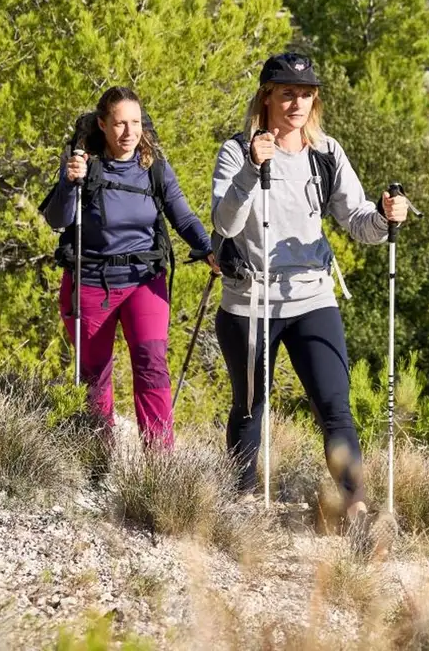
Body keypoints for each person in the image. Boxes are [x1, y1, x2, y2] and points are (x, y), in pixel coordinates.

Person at [211, 52, 408, 521]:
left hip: (312, 296)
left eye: (304, 94)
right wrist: (248, 172)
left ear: (313, 99)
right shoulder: (237, 151)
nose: (296, 103)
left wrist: (385, 217)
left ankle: (355, 502)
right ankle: (241, 499)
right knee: (250, 405)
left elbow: (358, 222)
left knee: (334, 403)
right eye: (286, 93)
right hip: (250, 300)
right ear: (267, 97)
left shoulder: (326, 153)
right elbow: (223, 221)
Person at [44, 86, 212, 445]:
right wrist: (69, 181)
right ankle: (97, 454)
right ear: (103, 125)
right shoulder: (81, 165)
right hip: (90, 281)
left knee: (152, 365)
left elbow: (182, 217)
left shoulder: (154, 169)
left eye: (135, 122)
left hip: (144, 280)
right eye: (119, 123)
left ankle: (159, 461)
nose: (128, 132)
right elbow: (58, 219)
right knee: (93, 374)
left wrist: (209, 249)